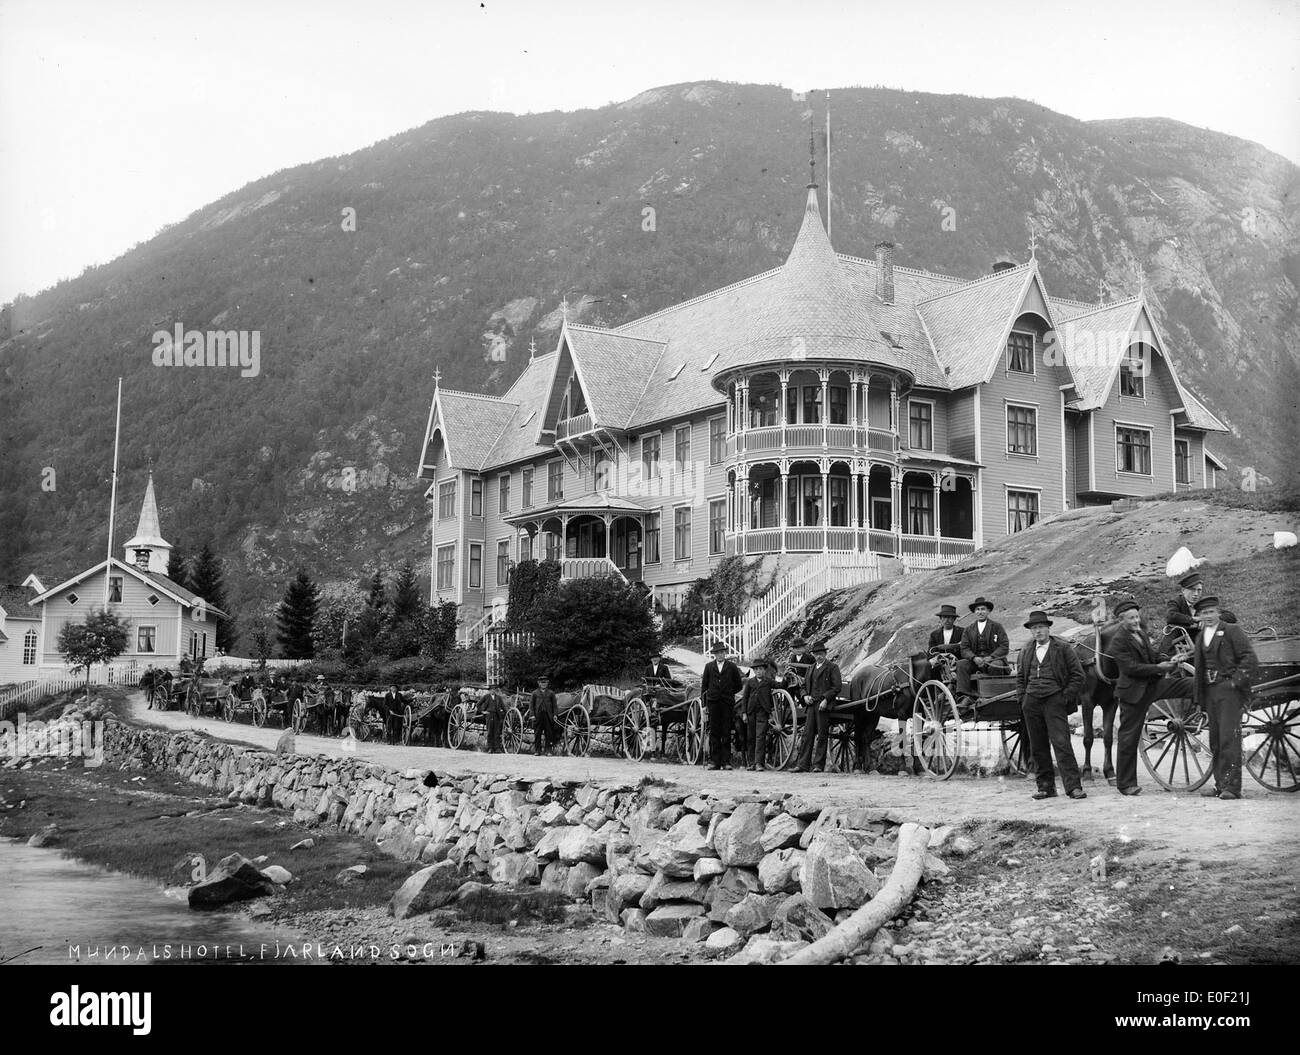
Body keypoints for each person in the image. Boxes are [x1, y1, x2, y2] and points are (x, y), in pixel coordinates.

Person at [1111, 600, 1195, 795]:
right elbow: (1130, 668)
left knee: (1190, 684)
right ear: (1121, 620)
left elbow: (1153, 655)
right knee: (1128, 738)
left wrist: (1170, 660)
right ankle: (1126, 784)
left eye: (1137, 616)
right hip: (1133, 693)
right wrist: (1158, 668)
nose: (1136, 621)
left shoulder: (1140, 633)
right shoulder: (1118, 641)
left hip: (1152, 686)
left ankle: (1200, 709)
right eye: (1131, 618)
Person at [1016, 611, 1088, 800]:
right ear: (1031, 631)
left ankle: (1073, 787)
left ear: (1048, 628)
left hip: (1054, 700)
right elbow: (1020, 677)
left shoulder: (1062, 648)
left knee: (1061, 743)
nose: (1038, 631)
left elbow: (1078, 675)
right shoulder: (1026, 650)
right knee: (1038, 746)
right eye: (1034, 628)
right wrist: (1023, 698)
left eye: (1041, 627)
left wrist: (1065, 697)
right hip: (1032, 702)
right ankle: (1046, 788)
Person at [1192, 597, 1258, 800]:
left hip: (1229, 692)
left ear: (1218, 613)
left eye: (1211, 612)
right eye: (1204, 613)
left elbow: (1249, 659)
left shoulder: (1231, 631)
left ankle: (1232, 787)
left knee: (1229, 739)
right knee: (1216, 740)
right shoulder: (1201, 636)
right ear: (1199, 616)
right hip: (1211, 692)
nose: (1208, 616)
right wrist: (1199, 698)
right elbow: (1199, 669)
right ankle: (1220, 785)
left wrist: (1235, 683)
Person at [793, 640, 842, 772]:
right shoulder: (810, 668)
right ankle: (802, 765)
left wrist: (826, 699)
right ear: (813, 655)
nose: (818, 656)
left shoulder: (832, 667)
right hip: (811, 705)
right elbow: (803, 686)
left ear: (825, 654)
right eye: (816, 654)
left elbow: (837, 687)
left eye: (821, 653)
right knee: (807, 734)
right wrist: (805, 696)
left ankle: (818, 765)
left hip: (823, 706)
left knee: (822, 734)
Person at [701, 641, 743, 770]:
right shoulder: (709, 667)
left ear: (725, 653)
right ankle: (714, 761)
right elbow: (704, 686)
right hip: (713, 702)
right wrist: (704, 704)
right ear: (714, 654)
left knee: (726, 730)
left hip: (727, 703)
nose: (720, 654)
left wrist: (728, 692)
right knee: (714, 731)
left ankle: (726, 762)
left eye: (722, 652)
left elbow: (739, 685)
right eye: (718, 653)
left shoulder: (732, 667)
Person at [956, 597, 1009, 698]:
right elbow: (964, 648)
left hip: (993, 660)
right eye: (978, 609)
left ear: (988, 611)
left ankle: (995, 695)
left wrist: (991, 657)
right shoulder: (968, 630)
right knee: (961, 664)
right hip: (976, 661)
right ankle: (964, 695)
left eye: (983, 609)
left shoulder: (997, 627)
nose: (980, 612)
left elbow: (1004, 646)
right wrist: (974, 658)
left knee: (996, 665)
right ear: (974, 612)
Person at [743, 657, 776, 771]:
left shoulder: (768, 681)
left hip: (763, 712)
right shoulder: (750, 682)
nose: (759, 671)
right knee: (751, 737)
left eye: (761, 669)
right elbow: (745, 698)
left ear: (764, 670)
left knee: (760, 736)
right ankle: (751, 762)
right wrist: (744, 713)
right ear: (754, 671)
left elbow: (780, 685)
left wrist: (786, 679)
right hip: (751, 712)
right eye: (756, 669)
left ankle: (759, 763)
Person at [530, 675, 558, 755]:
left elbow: (555, 706)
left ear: (547, 683)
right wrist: (532, 715)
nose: (543, 684)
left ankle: (548, 751)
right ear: (539, 683)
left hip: (548, 716)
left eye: (545, 682)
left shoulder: (551, 693)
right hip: (538, 716)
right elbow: (531, 705)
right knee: (537, 733)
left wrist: (555, 715)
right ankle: (537, 751)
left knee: (549, 733)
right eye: (542, 683)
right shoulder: (535, 693)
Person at [482, 684, 507, 753]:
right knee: (490, 732)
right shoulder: (486, 697)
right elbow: (478, 704)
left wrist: (507, 713)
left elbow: (503, 707)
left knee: (497, 732)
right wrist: (483, 711)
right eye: (491, 690)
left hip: (497, 716)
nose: (493, 691)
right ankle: (490, 748)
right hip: (489, 715)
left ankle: (497, 748)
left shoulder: (499, 698)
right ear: (489, 690)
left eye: (494, 690)